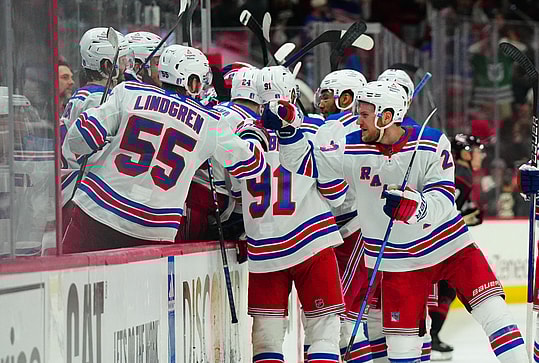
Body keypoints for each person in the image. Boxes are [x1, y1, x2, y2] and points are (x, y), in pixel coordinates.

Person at [265, 80, 528, 363]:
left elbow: (443, 197)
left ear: (386, 116)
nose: (358, 120)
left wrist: (417, 207)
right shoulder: (351, 147)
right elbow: (305, 163)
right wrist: (288, 132)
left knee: (495, 312)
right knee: (402, 351)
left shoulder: (430, 142)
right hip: (397, 261)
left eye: (365, 114)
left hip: (450, 247)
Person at [61, 44, 268, 253]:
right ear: (193, 81)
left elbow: (79, 137)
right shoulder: (211, 122)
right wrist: (252, 132)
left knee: (67, 279)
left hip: (97, 208)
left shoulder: (128, 92)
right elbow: (251, 165)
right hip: (153, 228)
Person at [239, 65, 347, 363]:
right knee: (324, 332)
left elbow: (234, 192)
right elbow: (336, 193)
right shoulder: (319, 127)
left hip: (264, 247)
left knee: (266, 338)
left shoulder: (242, 132)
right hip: (312, 241)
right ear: (294, 93)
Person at [311, 69, 375, 362]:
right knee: (344, 318)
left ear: (344, 98)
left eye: (326, 95)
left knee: (339, 317)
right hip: (353, 231)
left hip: (351, 231)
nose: (319, 102)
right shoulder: (357, 129)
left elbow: (333, 191)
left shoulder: (336, 130)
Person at [180, 66, 262, 241]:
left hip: (181, 189)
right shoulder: (252, 123)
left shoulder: (211, 108)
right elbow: (240, 177)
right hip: (210, 199)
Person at [60, 27, 130, 231]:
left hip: (72, 190)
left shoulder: (83, 95)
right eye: (123, 60)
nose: (127, 67)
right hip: (82, 195)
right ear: (108, 65)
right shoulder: (100, 101)